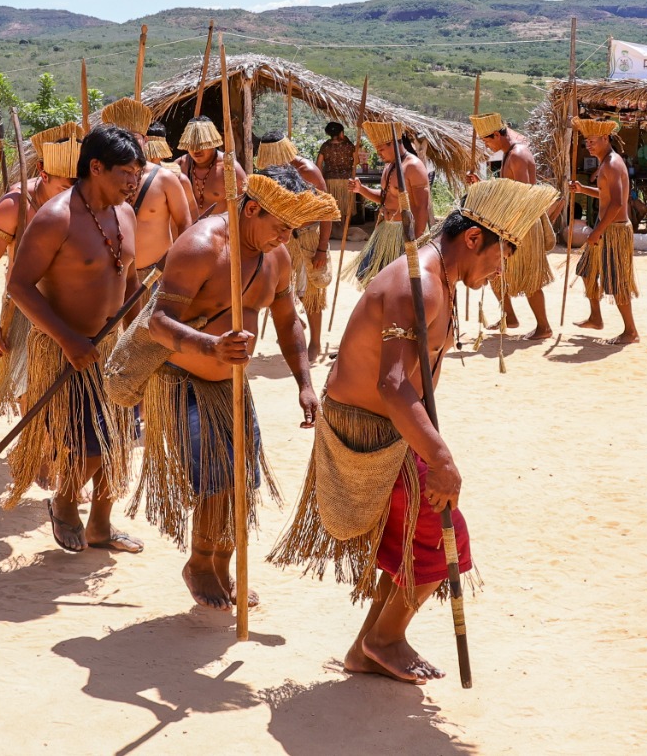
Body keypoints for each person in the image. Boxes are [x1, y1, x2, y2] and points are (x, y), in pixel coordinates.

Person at [270, 178, 555, 684]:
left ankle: (367, 647)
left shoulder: (441, 278)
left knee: (415, 538)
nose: (500, 268)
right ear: (473, 239)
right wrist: (441, 458)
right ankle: (384, 638)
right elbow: (393, 384)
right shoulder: (418, 283)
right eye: (502, 254)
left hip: (393, 425)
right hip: (370, 427)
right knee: (443, 535)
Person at [104, 166, 338, 610]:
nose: (284, 237)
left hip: (231, 383)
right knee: (216, 480)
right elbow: (159, 322)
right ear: (251, 209)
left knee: (242, 482)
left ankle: (225, 567)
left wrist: (305, 383)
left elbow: (288, 322)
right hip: (182, 379)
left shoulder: (279, 258)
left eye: (292, 229)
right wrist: (210, 344)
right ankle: (199, 563)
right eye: (280, 227)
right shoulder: (201, 246)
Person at [3, 124, 146, 555]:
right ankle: (65, 503)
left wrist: (139, 337)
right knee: (88, 441)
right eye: (126, 172)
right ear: (96, 167)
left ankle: (101, 525)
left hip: (113, 347)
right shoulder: (56, 217)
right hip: (67, 348)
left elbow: (132, 275)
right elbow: (19, 286)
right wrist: (67, 340)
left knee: (118, 440)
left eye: (138, 172)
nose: (133, 181)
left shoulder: (125, 213)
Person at [0, 125, 80, 418]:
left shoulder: (84, 200)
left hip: (72, 309)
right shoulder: (14, 206)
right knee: (27, 391)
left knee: (69, 394)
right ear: (43, 174)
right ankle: (35, 450)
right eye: (66, 187)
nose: (73, 195)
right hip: (23, 310)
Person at [467, 112, 558, 340]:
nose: (487, 146)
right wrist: (483, 186)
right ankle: (509, 316)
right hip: (513, 224)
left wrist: (486, 190)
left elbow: (522, 195)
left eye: (488, 140)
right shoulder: (510, 154)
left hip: (523, 224)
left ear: (497, 134)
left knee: (530, 278)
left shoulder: (517, 155)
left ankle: (544, 327)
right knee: (495, 272)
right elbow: (509, 189)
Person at [257, 131, 336, 362]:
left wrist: (321, 248)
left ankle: (315, 342)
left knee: (311, 291)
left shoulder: (308, 171)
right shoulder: (269, 173)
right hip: (282, 238)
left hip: (309, 236)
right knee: (275, 287)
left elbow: (327, 211)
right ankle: (293, 323)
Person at [567, 118, 639, 344]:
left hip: (614, 229)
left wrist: (597, 230)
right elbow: (605, 194)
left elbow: (618, 202)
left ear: (605, 138)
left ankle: (631, 331)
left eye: (593, 140)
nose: (588, 145)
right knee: (587, 271)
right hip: (605, 227)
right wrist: (582, 189)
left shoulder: (612, 163)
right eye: (586, 141)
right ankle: (596, 318)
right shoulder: (606, 163)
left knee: (618, 282)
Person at [103, 99, 194, 276]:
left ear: (145, 140)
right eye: (121, 138)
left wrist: (180, 268)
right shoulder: (101, 181)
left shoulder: (165, 179)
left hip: (156, 277)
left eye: (133, 138)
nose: (127, 145)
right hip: (112, 276)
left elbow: (185, 223)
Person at [348, 121, 432, 288]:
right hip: (385, 230)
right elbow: (386, 198)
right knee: (365, 275)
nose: (378, 154)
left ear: (393, 143)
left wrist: (415, 242)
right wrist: (361, 189)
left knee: (398, 285)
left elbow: (421, 207)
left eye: (381, 149)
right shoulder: (389, 166)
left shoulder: (413, 166)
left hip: (404, 232)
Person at [177, 115, 246, 216]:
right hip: (189, 230)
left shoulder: (229, 168)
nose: (196, 150)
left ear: (213, 142)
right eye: (192, 145)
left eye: (202, 144)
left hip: (220, 229)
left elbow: (244, 207)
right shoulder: (179, 167)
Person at [317, 120, 358, 227]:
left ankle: (332, 230)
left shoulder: (325, 146)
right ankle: (343, 229)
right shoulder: (348, 145)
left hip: (329, 180)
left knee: (331, 207)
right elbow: (356, 161)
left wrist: (321, 179)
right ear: (341, 133)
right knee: (344, 207)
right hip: (346, 181)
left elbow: (319, 164)